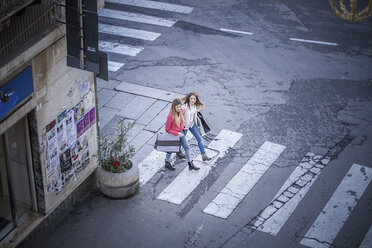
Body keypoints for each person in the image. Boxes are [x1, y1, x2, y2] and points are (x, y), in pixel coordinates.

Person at [164, 98, 199, 171]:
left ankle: (190, 164)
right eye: (177, 107)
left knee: (187, 147)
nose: (179, 108)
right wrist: (177, 133)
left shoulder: (181, 111)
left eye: (180, 106)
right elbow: (167, 129)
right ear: (174, 107)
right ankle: (167, 163)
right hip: (173, 135)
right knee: (170, 150)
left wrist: (183, 128)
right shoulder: (170, 116)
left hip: (181, 133)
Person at [181, 92, 211, 161]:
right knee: (182, 141)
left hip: (192, 125)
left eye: (194, 99)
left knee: (200, 139)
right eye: (191, 98)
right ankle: (178, 152)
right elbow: (179, 116)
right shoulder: (184, 107)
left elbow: (199, 108)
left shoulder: (194, 106)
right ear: (188, 99)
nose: (192, 100)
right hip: (185, 127)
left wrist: (200, 109)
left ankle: (204, 155)